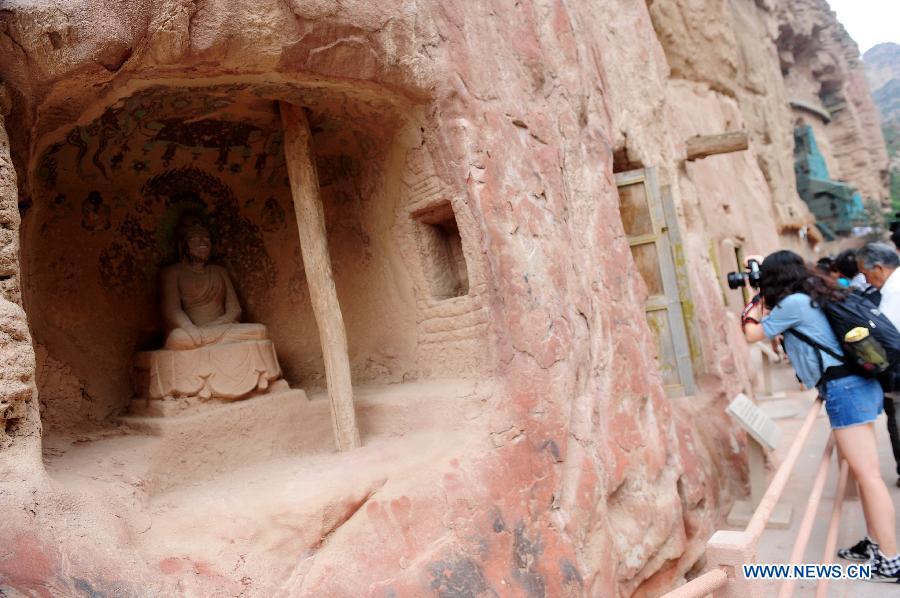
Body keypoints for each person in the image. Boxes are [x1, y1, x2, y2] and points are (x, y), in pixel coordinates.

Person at [740, 250, 900, 580]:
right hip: (855, 385)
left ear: (772, 280)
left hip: (845, 390)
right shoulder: (809, 292)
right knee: (862, 473)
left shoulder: (793, 304)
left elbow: (752, 333)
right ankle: (874, 545)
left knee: (868, 475)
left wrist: (751, 295)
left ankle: (891, 559)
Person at [855, 243, 900, 488]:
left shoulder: (894, 292)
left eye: (866, 273)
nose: (866, 280)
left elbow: (889, 336)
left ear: (879, 268)